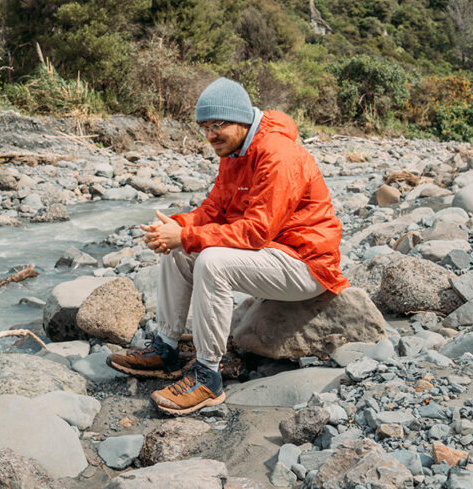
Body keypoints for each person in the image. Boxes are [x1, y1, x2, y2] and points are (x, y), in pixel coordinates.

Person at [108, 77, 348, 415]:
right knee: (180, 251)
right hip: (274, 254)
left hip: (306, 264)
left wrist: (189, 237)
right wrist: (178, 227)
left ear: (241, 119)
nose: (210, 135)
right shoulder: (236, 151)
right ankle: (166, 349)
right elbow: (213, 210)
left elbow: (255, 233)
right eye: (205, 127)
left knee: (212, 261)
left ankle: (207, 376)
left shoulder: (277, 154)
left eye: (217, 125)